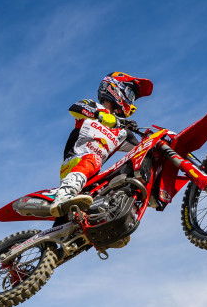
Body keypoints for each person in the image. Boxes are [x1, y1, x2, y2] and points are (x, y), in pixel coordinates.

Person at [51, 72, 154, 217]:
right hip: (74, 163)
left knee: (118, 182)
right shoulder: (93, 106)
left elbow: (142, 150)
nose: (131, 101)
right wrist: (102, 116)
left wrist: (152, 141)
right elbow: (75, 108)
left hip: (93, 177)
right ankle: (64, 195)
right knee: (93, 159)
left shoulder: (122, 132)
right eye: (130, 94)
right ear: (115, 88)